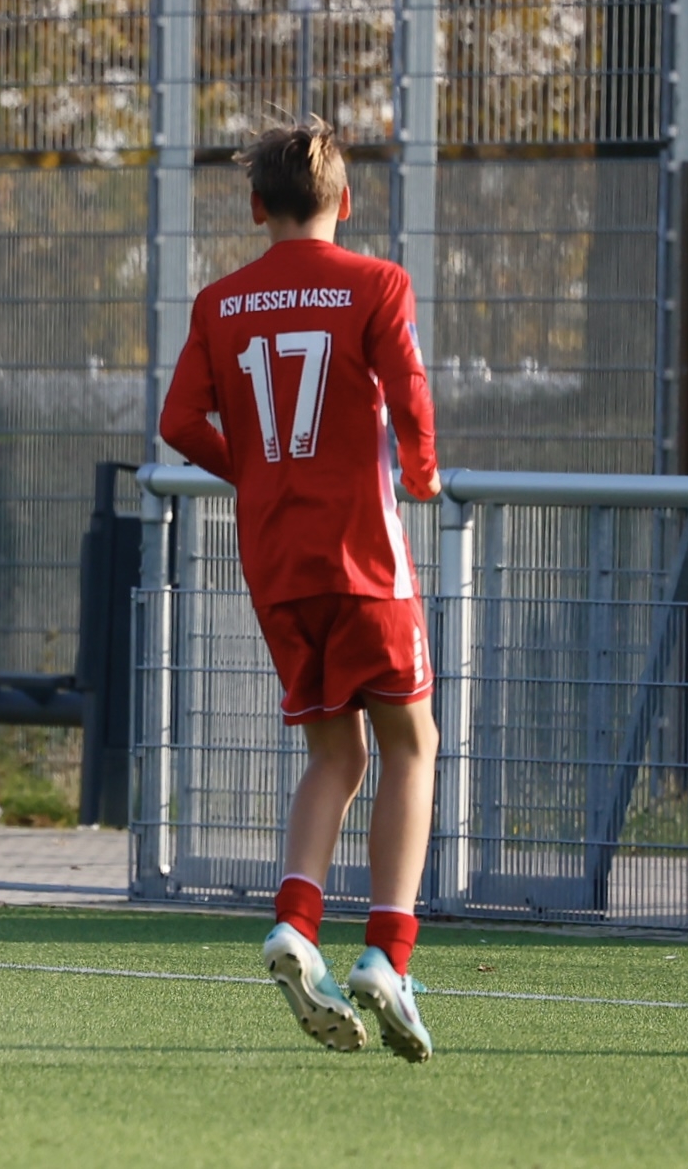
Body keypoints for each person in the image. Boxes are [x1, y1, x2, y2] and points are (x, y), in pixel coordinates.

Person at [158, 121, 442, 1062]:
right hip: (364, 560)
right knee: (411, 744)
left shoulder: (220, 300)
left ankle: (294, 922)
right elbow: (407, 390)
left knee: (333, 752)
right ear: (345, 202)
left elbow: (178, 422)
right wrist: (423, 471)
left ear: (255, 207)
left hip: (275, 562)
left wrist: (254, 472)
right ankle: (388, 954)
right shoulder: (376, 282)